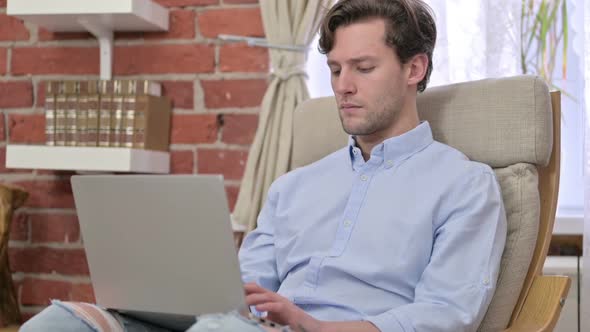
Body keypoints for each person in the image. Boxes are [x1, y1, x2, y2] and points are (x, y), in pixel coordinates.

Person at [20, 0, 506, 331]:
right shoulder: (294, 187)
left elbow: (445, 315)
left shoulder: (464, 186)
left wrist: (315, 325)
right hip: (239, 327)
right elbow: (242, 291)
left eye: (363, 68)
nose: (343, 86)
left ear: (414, 69)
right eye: (336, 69)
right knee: (60, 322)